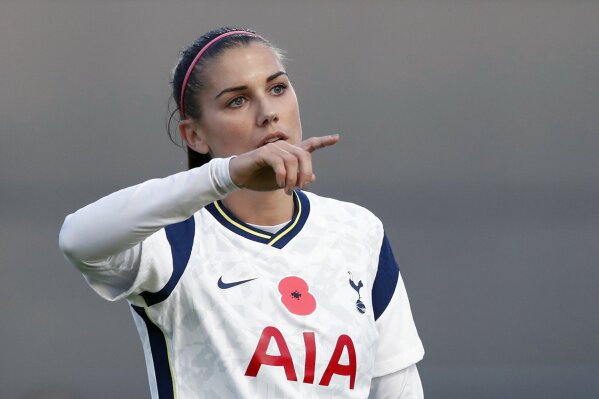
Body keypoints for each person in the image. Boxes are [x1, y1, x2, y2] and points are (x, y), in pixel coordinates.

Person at [59, 27, 424, 398]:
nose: (268, 113)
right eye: (237, 101)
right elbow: (77, 240)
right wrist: (227, 173)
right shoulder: (174, 237)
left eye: (277, 88)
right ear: (194, 136)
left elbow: (398, 388)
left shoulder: (358, 231)